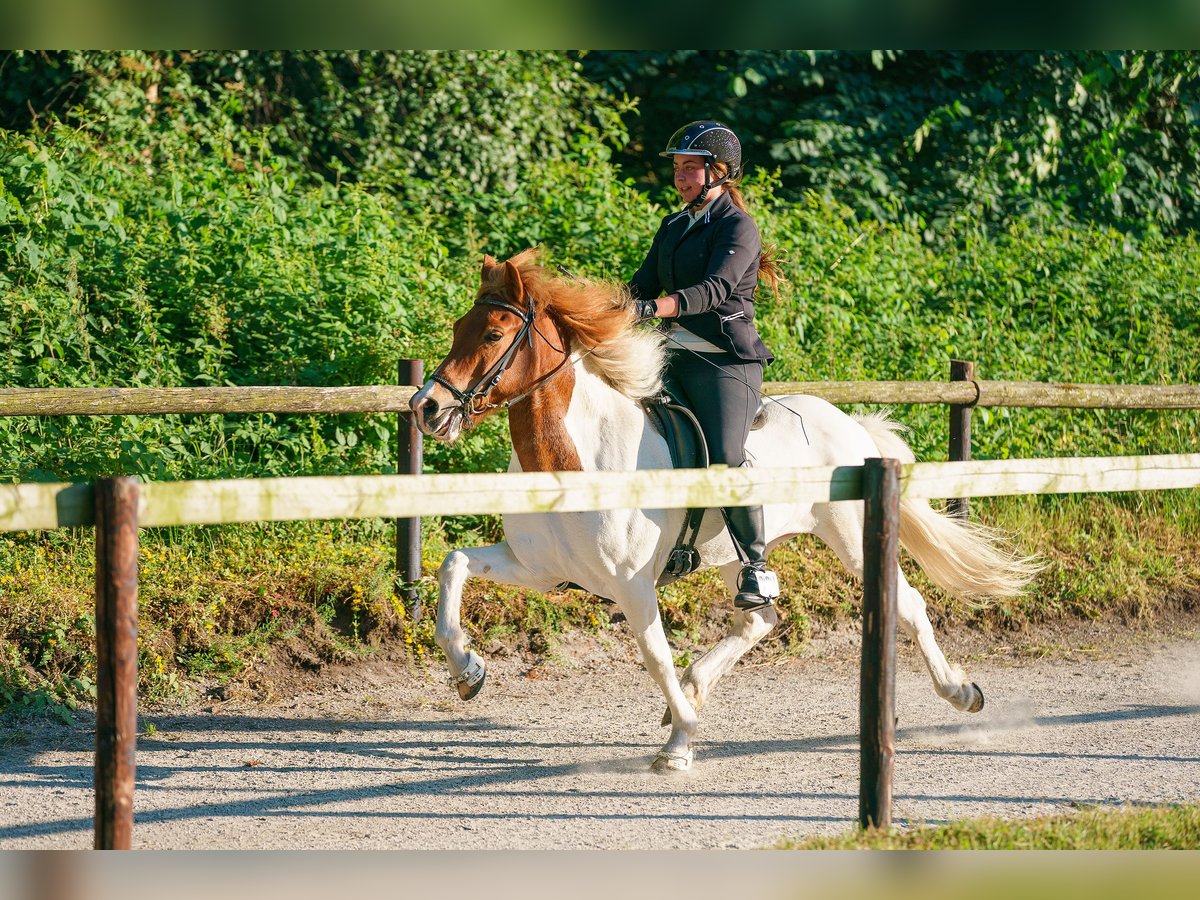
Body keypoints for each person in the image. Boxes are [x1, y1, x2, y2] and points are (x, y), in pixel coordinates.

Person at [628, 120, 784, 610]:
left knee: (724, 456)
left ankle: (756, 567)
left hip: (723, 362)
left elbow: (714, 291)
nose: (680, 177)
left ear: (719, 172)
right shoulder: (674, 226)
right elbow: (639, 286)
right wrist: (597, 308)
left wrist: (656, 309)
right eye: (677, 168)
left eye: (690, 168)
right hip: (671, 358)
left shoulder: (738, 227)